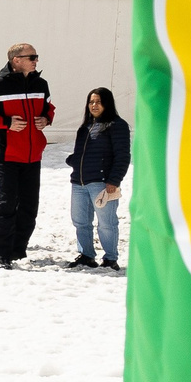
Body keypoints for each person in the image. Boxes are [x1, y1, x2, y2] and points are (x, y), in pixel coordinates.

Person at [0, 43, 55, 268]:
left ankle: (18, 250)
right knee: (7, 204)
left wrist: (46, 119)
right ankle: (0, 254)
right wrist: (5, 123)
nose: (36, 60)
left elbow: (48, 108)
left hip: (33, 155)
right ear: (16, 60)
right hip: (7, 155)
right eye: (31, 57)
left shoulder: (41, 84)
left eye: (37, 56)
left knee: (29, 206)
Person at [67, 87, 130, 271]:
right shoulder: (85, 127)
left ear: (107, 104)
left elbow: (122, 156)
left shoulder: (117, 125)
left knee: (107, 223)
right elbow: (81, 152)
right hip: (79, 182)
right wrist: (73, 160)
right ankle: (86, 255)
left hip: (102, 183)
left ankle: (110, 258)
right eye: (91, 102)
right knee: (80, 221)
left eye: (99, 102)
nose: (94, 105)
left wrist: (114, 181)